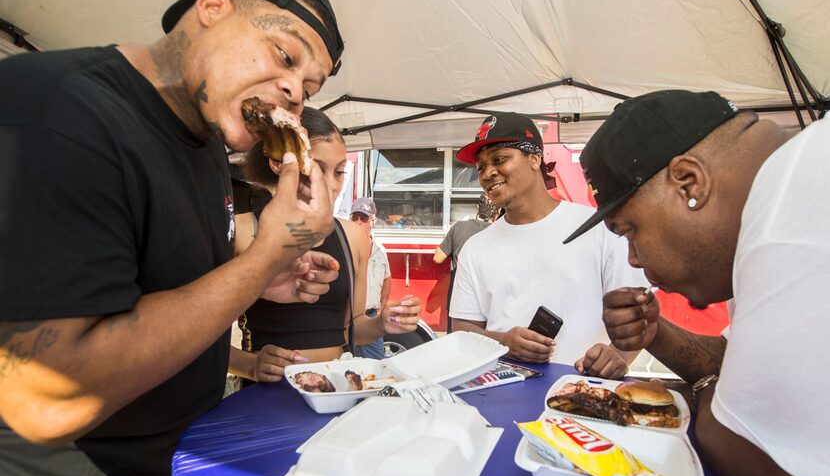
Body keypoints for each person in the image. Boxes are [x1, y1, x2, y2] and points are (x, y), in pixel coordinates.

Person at [0, 0, 345, 476]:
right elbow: (45, 399)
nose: (294, 91)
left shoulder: (208, 142)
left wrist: (264, 280)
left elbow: (149, 288)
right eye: (286, 54)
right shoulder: (57, 105)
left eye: (310, 87)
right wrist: (260, 259)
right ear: (213, 7)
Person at [562, 89, 829, 476]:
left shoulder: (792, 209)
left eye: (629, 230)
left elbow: (766, 469)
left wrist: (709, 391)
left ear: (689, 181)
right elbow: (733, 359)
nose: (633, 258)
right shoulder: (787, 187)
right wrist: (656, 333)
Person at [450, 112, 646, 378]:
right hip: (500, 392)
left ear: (534, 158)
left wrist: (617, 358)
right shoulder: (476, 247)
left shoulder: (599, 227)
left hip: (582, 393)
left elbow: (638, 314)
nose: (488, 174)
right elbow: (462, 329)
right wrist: (503, 343)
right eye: (481, 167)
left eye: (499, 159)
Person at [229, 112, 421, 383]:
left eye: (340, 171)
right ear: (277, 163)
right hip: (266, 394)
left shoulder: (353, 237)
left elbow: (350, 329)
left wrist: (380, 324)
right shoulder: (245, 229)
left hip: (337, 388)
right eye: (315, 169)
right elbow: (198, 336)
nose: (331, 185)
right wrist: (250, 364)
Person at [434, 194, 499, 332]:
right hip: (488, 303)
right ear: (498, 212)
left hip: (458, 301)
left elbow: (438, 258)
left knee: (456, 344)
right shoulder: (498, 233)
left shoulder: (459, 227)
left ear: (477, 208)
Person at [349, 197, 393, 359]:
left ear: (373, 220)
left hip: (371, 316)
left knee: (375, 366)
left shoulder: (380, 251)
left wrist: (383, 306)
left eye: (364, 218)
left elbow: (387, 278)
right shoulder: (343, 247)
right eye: (355, 218)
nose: (359, 222)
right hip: (346, 319)